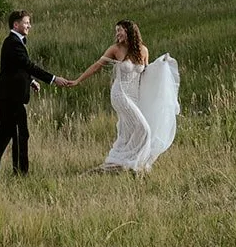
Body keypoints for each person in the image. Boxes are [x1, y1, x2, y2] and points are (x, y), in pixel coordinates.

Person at [70, 18, 180, 174]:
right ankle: (133, 163)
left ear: (129, 31)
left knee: (128, 132)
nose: (117, 34)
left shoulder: (143, 50)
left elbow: (147, 73)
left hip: (134, 96)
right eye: (116, 31)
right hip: (120, 94)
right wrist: (77, 80)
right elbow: (96, 66)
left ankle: (118, 164)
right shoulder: (115, 49)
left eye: (119, 30)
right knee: (144, 129)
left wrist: (162, 65)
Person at [0, 9, 70, 176]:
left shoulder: (14, 42)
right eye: (26, 23)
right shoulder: (13, 42)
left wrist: (30, 81)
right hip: (10, 97)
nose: (29, 25)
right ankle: (20, 173)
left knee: (6, 134)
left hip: (7, 96)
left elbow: (15, 68)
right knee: (20, 134)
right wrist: (53, 79)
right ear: (15, 24)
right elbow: (27, 65)